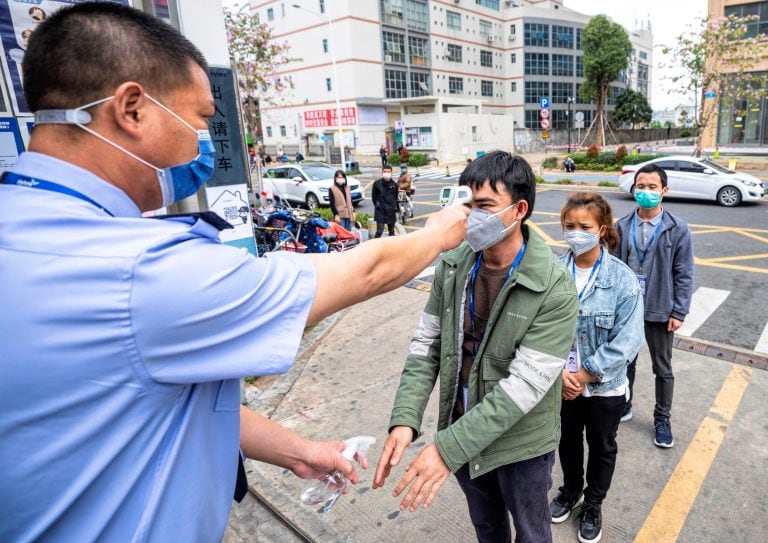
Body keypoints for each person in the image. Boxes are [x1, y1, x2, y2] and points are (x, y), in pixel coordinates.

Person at [0, 4, 470, 542]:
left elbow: (161, 402)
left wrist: (300, 452)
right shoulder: (141, 273)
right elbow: (367, 271)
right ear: (132, 108)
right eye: (200, 119)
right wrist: (440, 233)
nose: (204, 140)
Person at [373, 151, 579, 543]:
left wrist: (447, 449)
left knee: (532, 534)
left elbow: (524, 389)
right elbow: (426, 345)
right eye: (468, 204)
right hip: (461, 419)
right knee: (488, 527)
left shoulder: (554, 286)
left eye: (485, 206)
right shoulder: (453, 265)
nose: (472, 216)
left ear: (519, 209)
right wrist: (406, 416)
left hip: (521, 444)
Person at [550, 192, 645, 543]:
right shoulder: (553, 271)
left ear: (602, 229)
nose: (576, 233)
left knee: (603, 445)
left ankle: (593, 503)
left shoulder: (622, 280)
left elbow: (629, 339)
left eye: (584, 226)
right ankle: (571, 490)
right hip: (561, 382)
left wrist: (586, 372)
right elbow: (538, 328)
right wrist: (559, 374)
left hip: (604, 386)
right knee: (568, 441)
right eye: (569, 226)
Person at [612, 163, 694, 448]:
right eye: (641, 186)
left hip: (660, 309)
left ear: (664, 191)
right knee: (625, 362)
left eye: (652, 187)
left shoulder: (677, 229)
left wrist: (679, 310)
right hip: (628, 309)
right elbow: (611, 267)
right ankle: (625, 404)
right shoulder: (621, 226)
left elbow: (684, 273)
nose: (645, 192)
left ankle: (662, 418)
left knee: (663, 367)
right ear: (634, 189)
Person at [371, 164, 398, 238]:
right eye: (385, 171)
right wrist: (377, 205)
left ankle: (391, 247)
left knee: (391, 232)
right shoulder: (377, 183)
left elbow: (395, 197)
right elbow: (374, 197)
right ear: (382, 172)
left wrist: (394, 207)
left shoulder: (394, 185)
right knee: (380, 230)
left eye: (388, 171)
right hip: (380, 211)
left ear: (391, 172)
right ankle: (374, 245)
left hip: (391, 211)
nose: (386, 173)